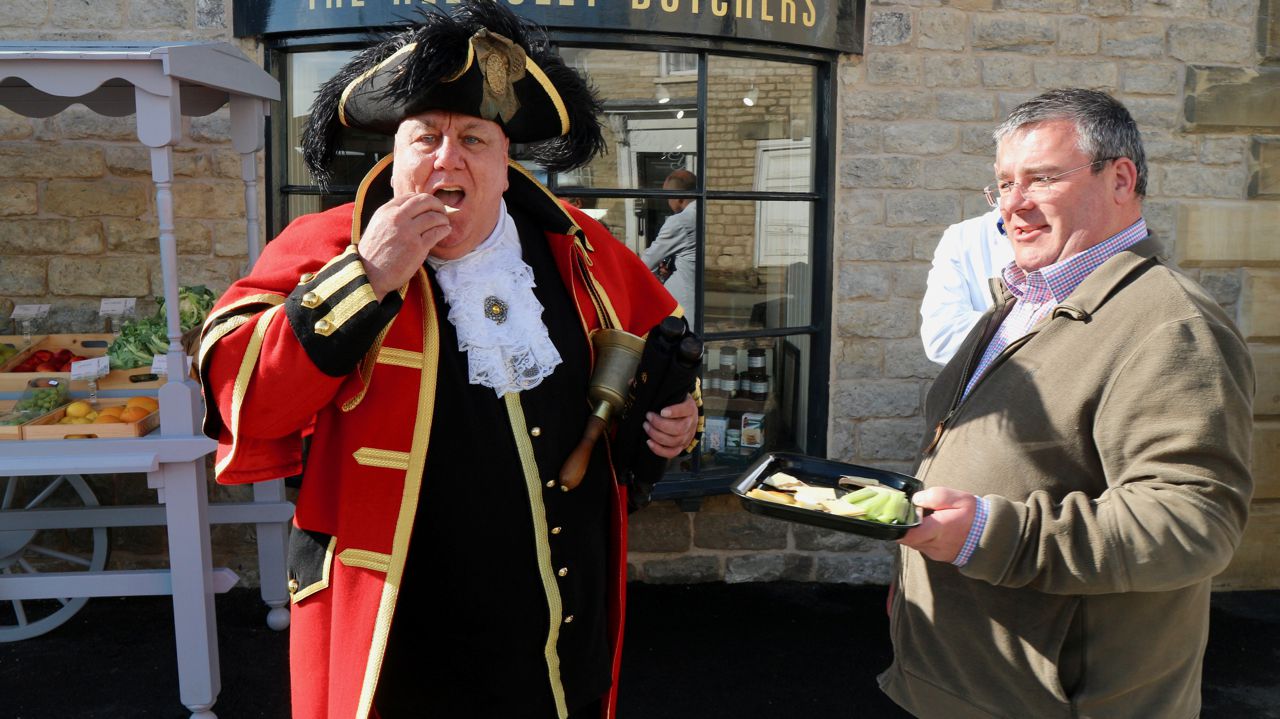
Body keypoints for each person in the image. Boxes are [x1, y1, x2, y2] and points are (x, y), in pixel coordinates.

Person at [196, 3, 699, 718]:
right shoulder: (327, 245)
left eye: (473, 138)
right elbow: (240, 393)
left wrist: (675, 420)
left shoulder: (579, 247)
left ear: (504, 164)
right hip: (406, 635)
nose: (447, 158)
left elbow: (665, 349)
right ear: (393, 158)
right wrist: (367, 276)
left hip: (563, 622)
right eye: (425, 137)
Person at [881, 88, 1254, 718]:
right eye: (1002, 184)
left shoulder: (1171, 324)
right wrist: (908, 577)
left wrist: (985, 535)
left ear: (1121, 179)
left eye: (1042, 178)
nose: (1013, 205)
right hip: (958, 680)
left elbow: (1193, 523)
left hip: (1065, 701)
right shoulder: (1016, 302)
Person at [918, 208, 1013, 364]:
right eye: (1006, 185)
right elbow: (942, 337)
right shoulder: (964, 236)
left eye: (1040, 181)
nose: (1012, 201)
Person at [640, 169, 698, 324]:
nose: (667, 202)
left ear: (678, 197)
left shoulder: (680, 221)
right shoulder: (702, 213)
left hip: (682, 307)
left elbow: (647, 262)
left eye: (668, 196)